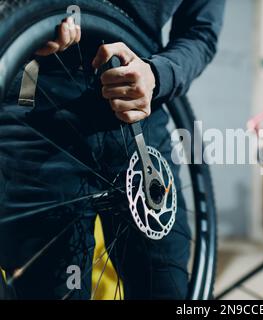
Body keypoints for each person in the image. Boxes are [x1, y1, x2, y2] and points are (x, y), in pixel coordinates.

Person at [0, 0, 225, 299]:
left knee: (166, 289)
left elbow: (201, 33)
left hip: (140, 110)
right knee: (53, 289)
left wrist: (157, 75)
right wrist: (27, 13)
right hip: (41, 115)